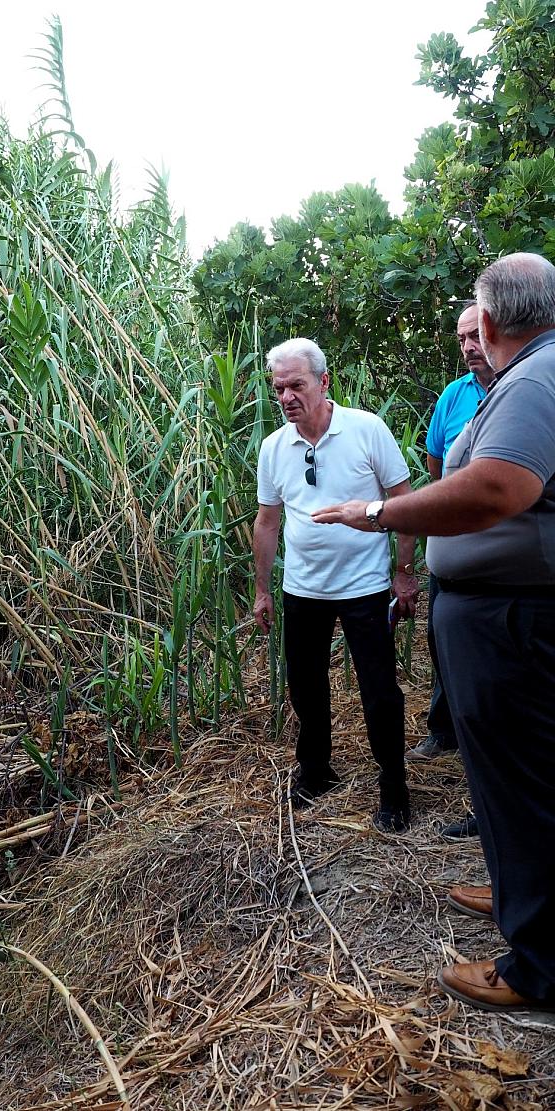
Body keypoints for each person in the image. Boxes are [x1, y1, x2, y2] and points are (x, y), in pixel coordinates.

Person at [311, 252, 555, 1013]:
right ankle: (522, 891)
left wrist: (376, 515)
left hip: (515, 617)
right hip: (498, 610)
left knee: (527, 781)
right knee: (514, 780)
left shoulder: (537, 377)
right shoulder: (525, 377)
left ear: (488, 321)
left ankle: (537, 966)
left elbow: (496, 486)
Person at [253, 338, 419, 833]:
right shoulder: (274, 447)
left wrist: (404, 572)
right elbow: (266, 521)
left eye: (296, 385)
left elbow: (403, 499)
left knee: (379, 692)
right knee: (305, 687)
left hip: (365, 588)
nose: (285, 397)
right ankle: (316, 770)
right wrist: (262, 589)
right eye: (277, 388)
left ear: (324, 383)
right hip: (303, 590)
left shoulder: (366, 429)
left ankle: (394, 784)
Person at [410, 301, 496, 841]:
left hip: (506, 572)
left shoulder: (524, 387)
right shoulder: (454, 396)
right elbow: (436, 469)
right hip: (454, 559)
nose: (467, 346)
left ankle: (491, 809)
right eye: (460, 338)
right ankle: (444, 729)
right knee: (446, 650)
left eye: (473, 335)